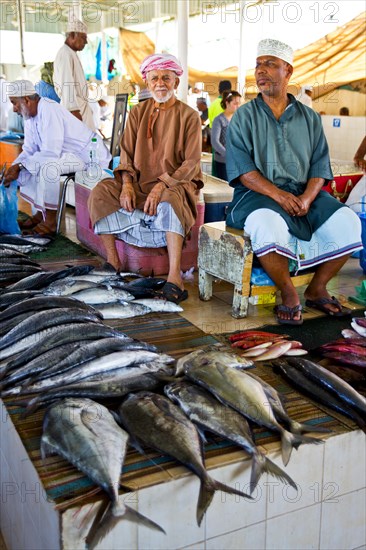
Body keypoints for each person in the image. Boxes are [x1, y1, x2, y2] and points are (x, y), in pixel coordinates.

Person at [225, 38, 362, 325]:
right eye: (258, 65)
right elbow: (244, 170)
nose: (261, 71)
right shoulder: (244, 116)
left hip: (303, 193)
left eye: (270, 64)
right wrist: (279, 196)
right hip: (257, 194)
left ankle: (317, 288)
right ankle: (288, 293)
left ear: (288, 71)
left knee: (349, 222)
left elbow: (319, 165)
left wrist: (308, 198)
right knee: (267, 223)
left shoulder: (309, 117)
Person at [88, 53, 203, 303]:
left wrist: (163, 184)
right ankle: (113, 262)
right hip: (139, 184)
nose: (160, 83)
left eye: (166, 78)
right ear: (147, 82)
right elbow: (126, 154)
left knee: (171, 199)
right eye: (155, 78)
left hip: (175, 184)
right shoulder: (137, 112)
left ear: (176, 82)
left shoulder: (190, 116)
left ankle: (175, 276)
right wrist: (127, 184)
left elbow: (192, 163)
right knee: (101, 192)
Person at [3, 80, 111, 236]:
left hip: (88, 155)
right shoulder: (29, 116)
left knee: (48, 167)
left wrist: (20, 167)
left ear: (26, 100)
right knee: (33, 164)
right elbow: (29, 150)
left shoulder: (48, 108)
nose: (14, 109)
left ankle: (50, 223)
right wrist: (13, 168)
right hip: (66, 154)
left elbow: (50, 152)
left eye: (15, 103)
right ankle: (40, 215)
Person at [53, 15, 96, 131]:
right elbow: (66, 85)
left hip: (80, 110)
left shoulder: (71, 53)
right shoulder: (65, 54)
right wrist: (74, 112)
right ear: (72, 35)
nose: (86, 42)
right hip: (75, 112)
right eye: (83, 38)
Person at [211, 90, 242, 180]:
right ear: (227, 103)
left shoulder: (238, 119)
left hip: (237, 161)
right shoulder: (219, 120)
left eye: (239, 103)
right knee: (225, 186)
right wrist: (228, 154)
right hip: (223, 161)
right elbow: (215, 142)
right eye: (235, 103)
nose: (238, 106)